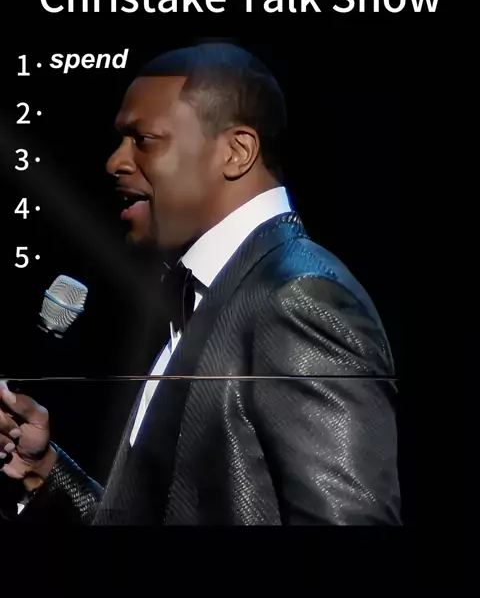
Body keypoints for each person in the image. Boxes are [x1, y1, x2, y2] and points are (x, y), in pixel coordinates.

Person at [0, 43, 401, 525]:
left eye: (143, 139)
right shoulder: (207, 293)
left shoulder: (298, 298)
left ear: (236, 152)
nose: (115, 161)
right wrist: (43, 473)